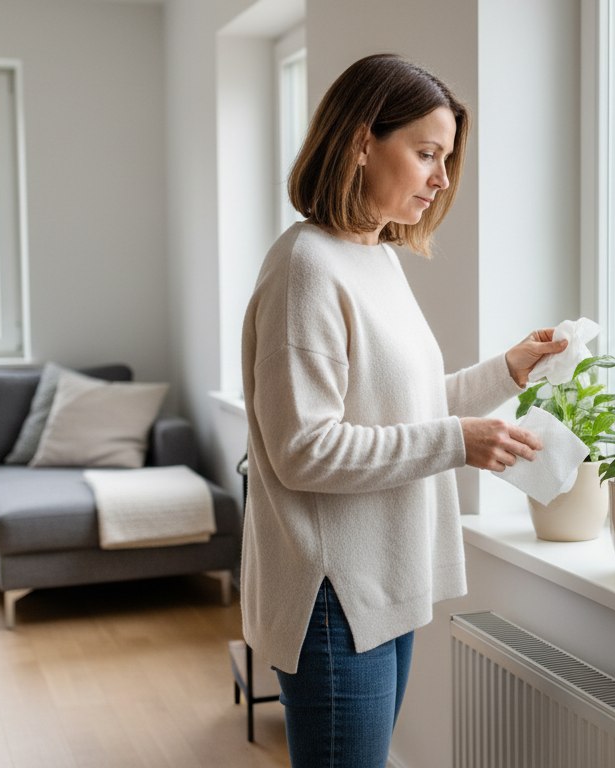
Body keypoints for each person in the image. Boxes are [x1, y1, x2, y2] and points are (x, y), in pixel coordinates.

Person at [240, 53, 567, 767]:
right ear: (362, 143)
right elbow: (306, 449)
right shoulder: (306, 268)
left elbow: (402, 409)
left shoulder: (374, 256)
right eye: (426, 154)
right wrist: (457, 441)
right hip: (333, 599)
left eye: (446, 158)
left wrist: (506, 371)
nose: (442, 179)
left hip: (383, 580)